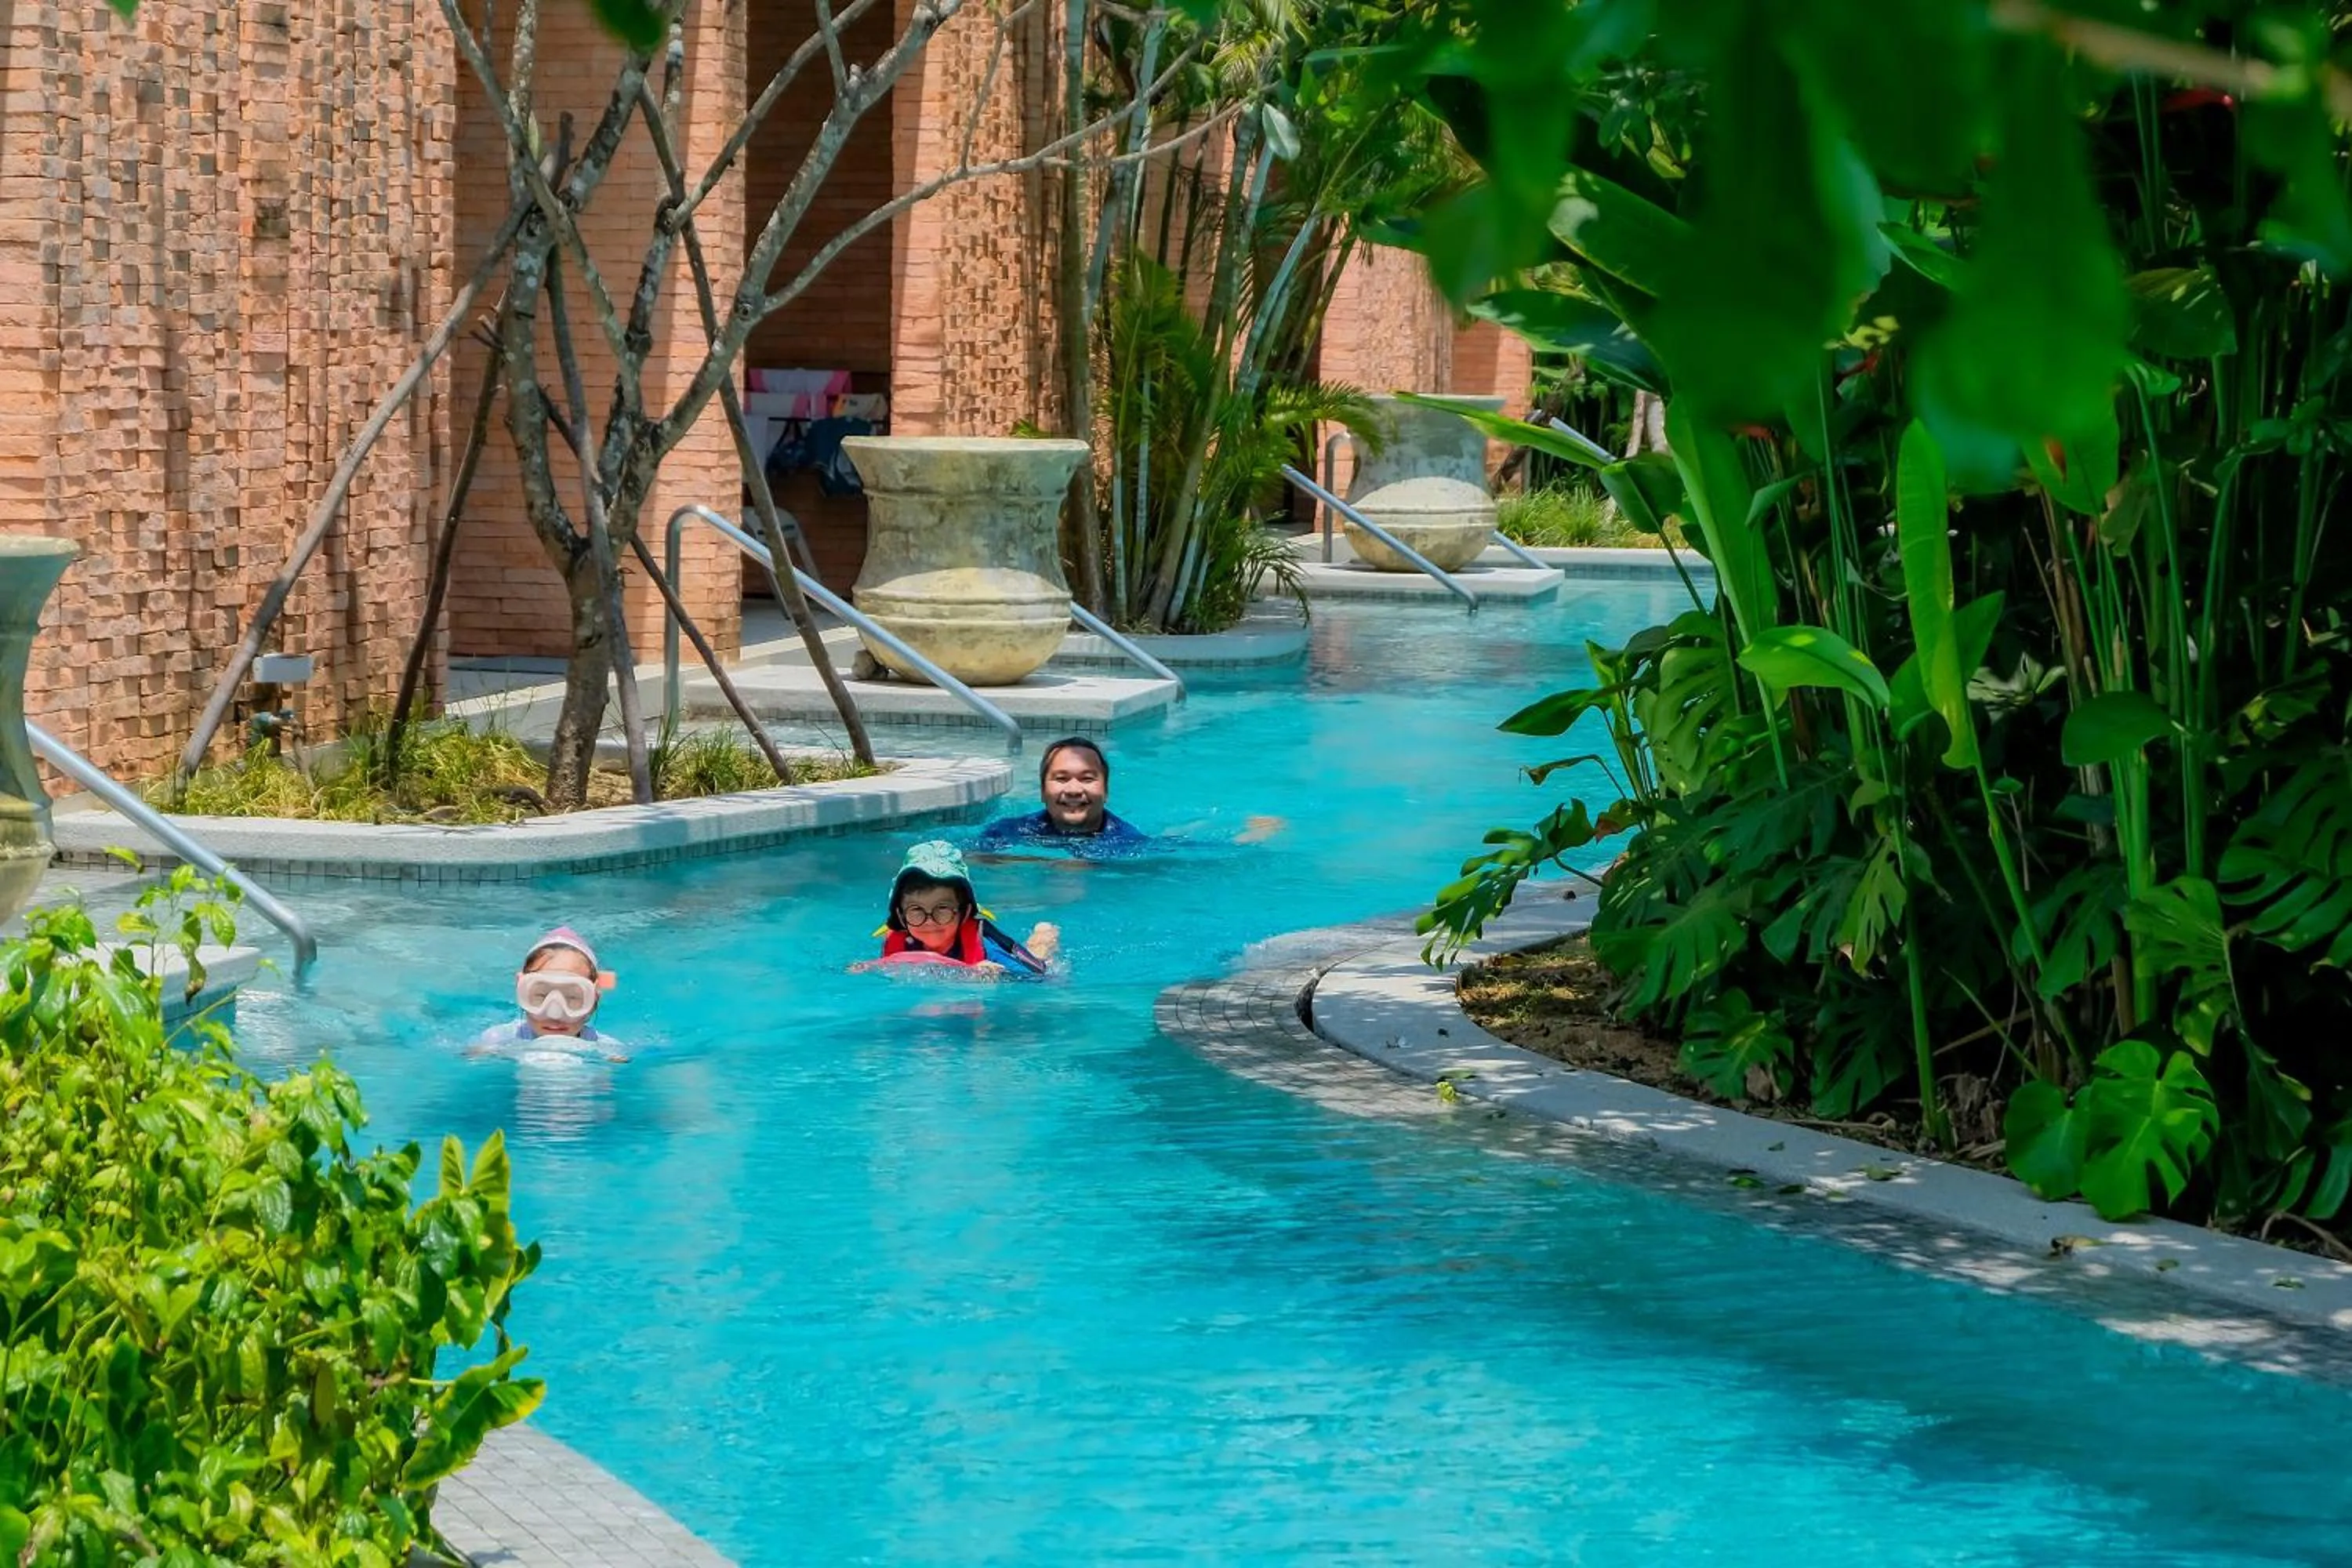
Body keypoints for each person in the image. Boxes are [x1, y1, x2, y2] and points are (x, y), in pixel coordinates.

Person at [971, 736, 1283, 855]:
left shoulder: (1125, 843)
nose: (1074, 789)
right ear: (1042, 791)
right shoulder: (1009, 831)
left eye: (1088, 778)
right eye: (1061, 778)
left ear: (1106, 791)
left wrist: (1251, 840)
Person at [855, 840, 1059, 977]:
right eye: (916, 911)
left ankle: (1043, 935)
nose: (930, 921)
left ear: (965, 912)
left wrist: (1000, 974)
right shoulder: (899, 942)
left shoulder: (987, 950)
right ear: (901, 915)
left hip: (1013, 961)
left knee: (1041, 960)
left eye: (942, 909)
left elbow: (1036, 979)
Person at [470, 927, 630, 1063]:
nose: (555, 1014)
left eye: (572, 998)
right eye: (541, 996)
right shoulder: (499, 1039)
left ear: (593, 1001)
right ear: (521, 992)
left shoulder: (606, 1049)